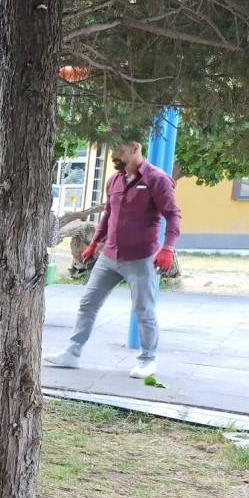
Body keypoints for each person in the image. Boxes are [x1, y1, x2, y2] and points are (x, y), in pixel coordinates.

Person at [45, 140, 182, 380]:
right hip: (109, 256)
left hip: (140, 259)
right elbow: (109, 215)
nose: (115, 155)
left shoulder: (156, 179)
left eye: (120, 149)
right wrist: (95, 244)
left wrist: (168, 248)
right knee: (88, 303)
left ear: (135, 147)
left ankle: (148, 360)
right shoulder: (114, 180)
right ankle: (72, 353)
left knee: (144, 310)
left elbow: (173, 215)